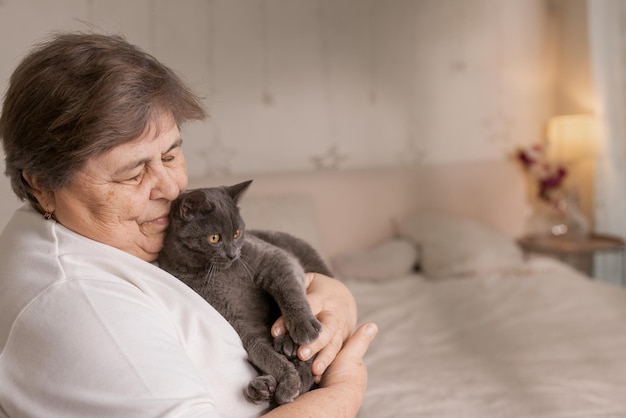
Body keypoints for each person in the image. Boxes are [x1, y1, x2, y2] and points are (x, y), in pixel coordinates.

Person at [0, 32, 377, 417]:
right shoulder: (80, 308)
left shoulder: (108, 236)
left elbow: (263, 256)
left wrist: (329, 295)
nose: (170, 187)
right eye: (133, 174)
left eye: (171, 154)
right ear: (42, 183)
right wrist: (345, 388)